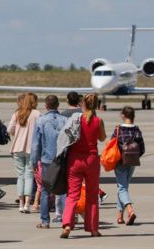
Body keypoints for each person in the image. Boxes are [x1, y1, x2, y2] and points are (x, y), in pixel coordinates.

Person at [61, 93, 106, 239]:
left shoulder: (76, 119)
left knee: (72, 194)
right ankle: (93, 229)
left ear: (82, 104)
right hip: (91, 160)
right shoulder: (98, 120)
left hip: (75, 160)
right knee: (92, 195)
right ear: (97, 105)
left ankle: (67, 224)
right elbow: (102, 137)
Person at [32, 95, 67, 229]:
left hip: (47, 160)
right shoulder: (65, 120)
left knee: (46, 191)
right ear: (58, 105)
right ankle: (67, 218)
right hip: (62, 159)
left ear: (46, 106)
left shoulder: (41, 121)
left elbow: (36, 144)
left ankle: (45, 221)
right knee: (65, 189)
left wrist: (34, 161)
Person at [112, 106, 145, 226]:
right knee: (124, 187)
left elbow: (112, 145)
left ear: (123, 115)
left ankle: (130, 210)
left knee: (122, 188)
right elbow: (142, 148)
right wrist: (134, 156)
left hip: (120, 162)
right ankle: (120, 215)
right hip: (132, 162)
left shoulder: (118, 129)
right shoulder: (137, 130)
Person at [9, 92, 40, 213]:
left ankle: (21, 203)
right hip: (31, 149)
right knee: (29, 176)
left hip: (17, 148)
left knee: (20, 176)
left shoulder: (17, 114)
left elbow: (10, 130)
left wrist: (18, 133)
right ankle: (27, 203)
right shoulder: (37, 114)